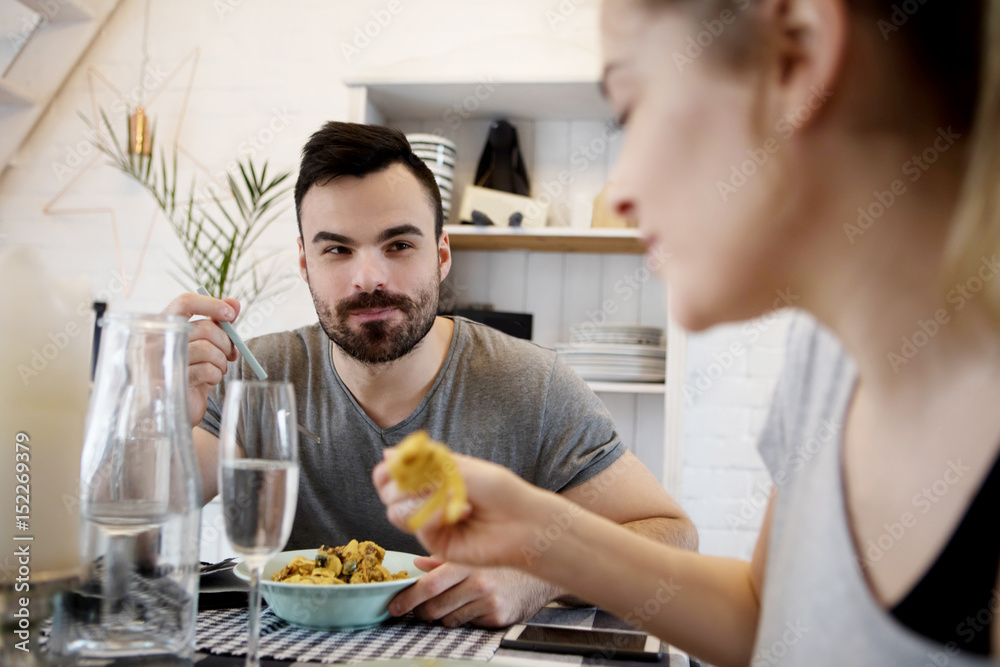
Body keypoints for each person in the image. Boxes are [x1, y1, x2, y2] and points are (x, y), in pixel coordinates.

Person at [374, 0, 1000, 664]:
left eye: (629, 109)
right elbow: (764, 616)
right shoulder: (825, 362)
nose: (618, 192)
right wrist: (542, 535)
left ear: (798, 54)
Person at [163, 121, 697, 628]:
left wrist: (537, 576)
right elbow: (147, 503)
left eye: (398, 245)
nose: (368, 278)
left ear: (441, 254)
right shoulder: (255, 376)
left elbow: (673, 537)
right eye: (337, 250)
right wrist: (160, 408)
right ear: (306, 264)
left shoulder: (533, 386)